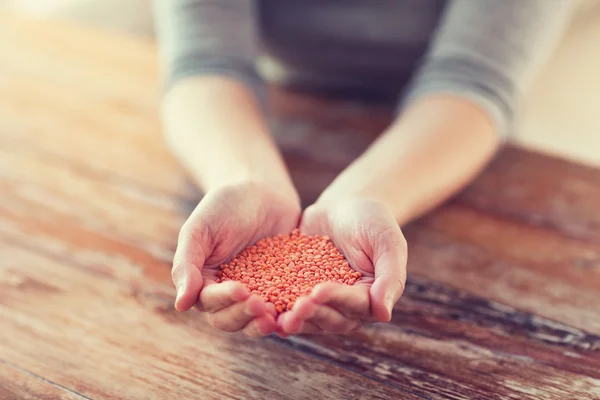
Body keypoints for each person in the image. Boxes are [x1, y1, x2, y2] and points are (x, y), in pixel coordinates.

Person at [152, 0, 573, 337]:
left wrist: (369, 196)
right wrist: (244, 176)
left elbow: (475, 80)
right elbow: (205, 63)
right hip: (281, 111)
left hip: (452, 134)